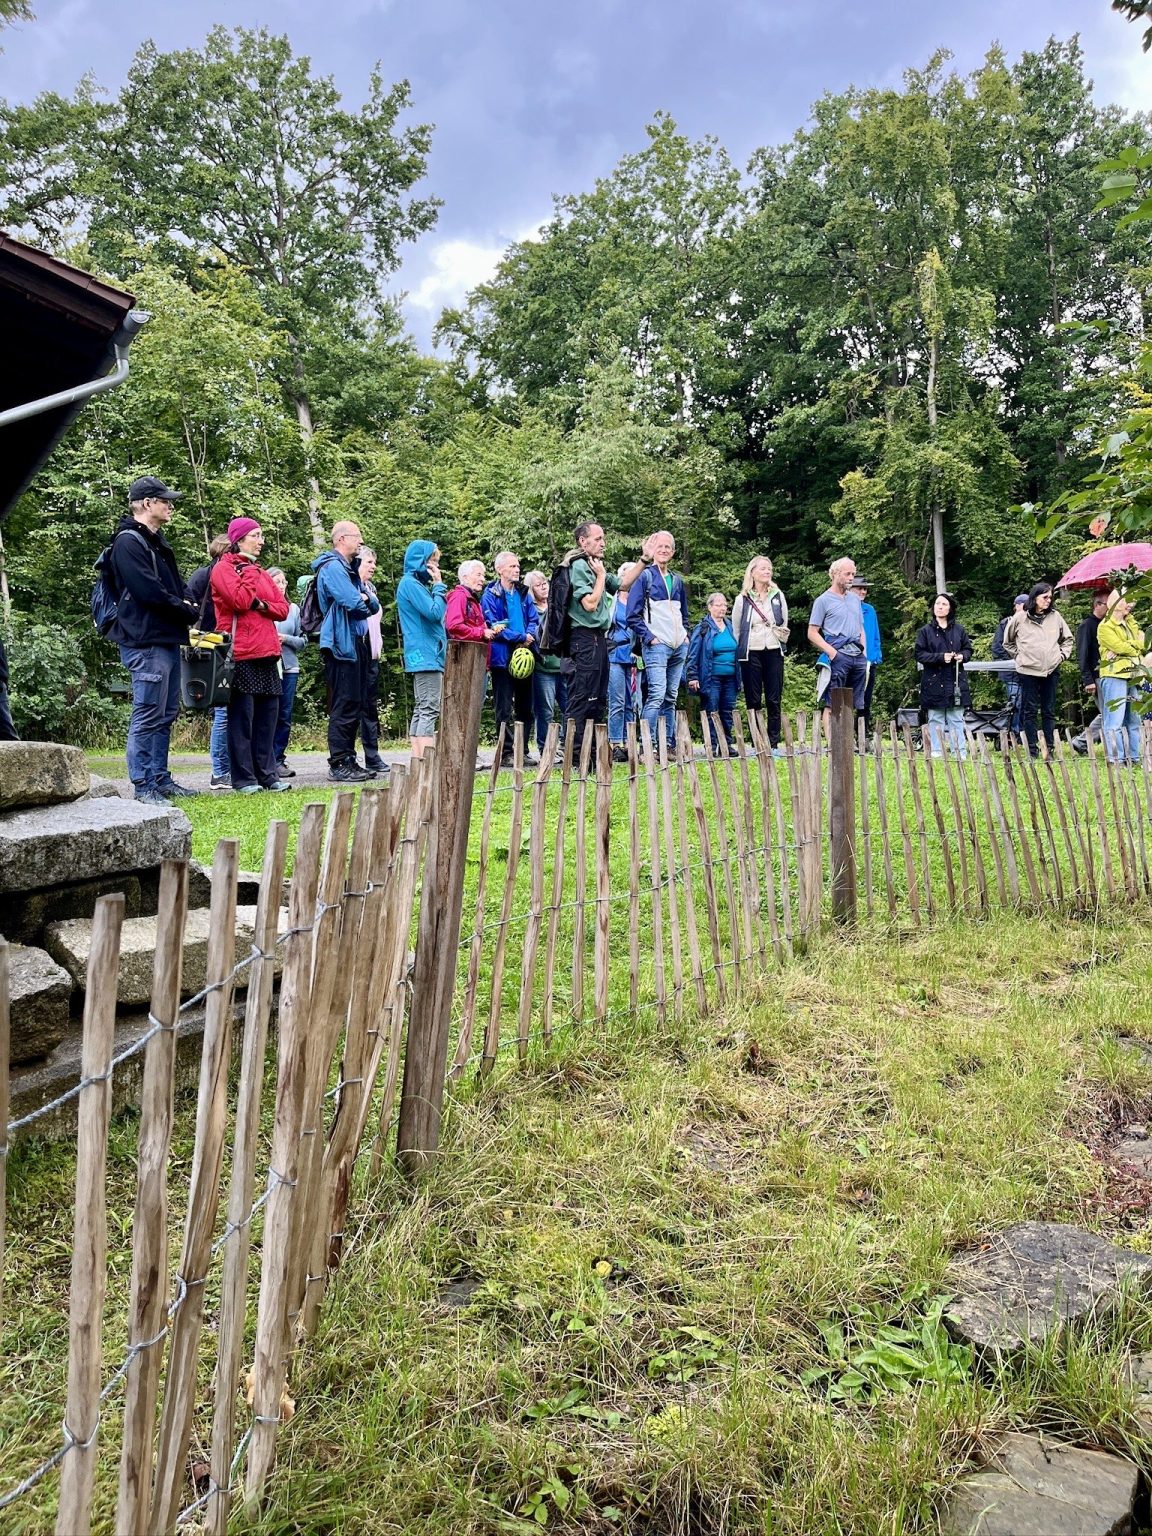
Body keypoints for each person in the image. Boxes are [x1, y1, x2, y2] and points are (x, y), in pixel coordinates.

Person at [110, 476, 199, 805]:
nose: (170, 505)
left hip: (166, 638)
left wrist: (188, 605)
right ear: (147, 503)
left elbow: (178, 586)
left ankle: (161, 780)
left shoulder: (157, 542)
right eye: (165, 500)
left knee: (166, 713)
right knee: (148, 712)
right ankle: (143, 785)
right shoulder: (128, 542)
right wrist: (184, 609)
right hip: (144, 640)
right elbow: (148, 592)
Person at [210, 517, 291, 794]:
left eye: (261, 535)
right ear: (239, 540)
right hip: (240, 654)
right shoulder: (223, 570)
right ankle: (244, 778)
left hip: (267, 653)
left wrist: (260, 602)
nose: (261, 541)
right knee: (241, 719)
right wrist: (249, 574)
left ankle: (268, 775)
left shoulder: (260, 572)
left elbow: (282, 609)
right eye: (255, 536)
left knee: (267, 719)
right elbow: (240, 601)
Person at [559, 523, 647, 764]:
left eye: (603, 538)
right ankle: (576, 758)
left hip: (599, 638)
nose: (603, 543)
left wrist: (644, 560)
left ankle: (594, 754)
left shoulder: (594, 564)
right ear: (582, 541)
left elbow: (623, 584)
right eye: (597, 539)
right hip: (582, 639)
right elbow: (590, 603)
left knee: (597, 699)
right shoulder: (579, 565)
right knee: (581, 698)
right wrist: (599, 577)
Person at [312, 520, 381, 783]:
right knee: (344, 703)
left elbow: (372, 604)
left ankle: (350, 759)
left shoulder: (349, 569)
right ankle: (339, 762)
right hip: (341, 644)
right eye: (357, 537)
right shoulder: (332, 568)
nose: (361, 542)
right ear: (341, 539)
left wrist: (365, 600)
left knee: (356, 702)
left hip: (356, 642)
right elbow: (353, 602)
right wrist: (363, 600)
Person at [626, 530, 690, 755]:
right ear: (652, 550)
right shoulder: (645, 576)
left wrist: (686, 635)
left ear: (673, 552)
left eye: (667, 547)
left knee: (671, 696)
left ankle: (668, 744)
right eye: (659, 546)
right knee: (656, 694)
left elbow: (684, 613)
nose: (663, 550)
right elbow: (632, 615)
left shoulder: (677, 580)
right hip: (657, 646)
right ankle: (647, 746)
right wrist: (649, 637)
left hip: (678, 645)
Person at [482, 551, 540, 767]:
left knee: (526, 706)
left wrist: (530, 635)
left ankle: (523, 750)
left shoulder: (524, 593)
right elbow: (493, 625)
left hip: (525, 654)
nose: (517, 569)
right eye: (512, 566)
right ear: (500, 570)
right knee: (503, 706)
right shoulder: (491, 594)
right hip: (503, 656)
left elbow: (533, 619)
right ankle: (506, 752)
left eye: (518, 566)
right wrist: (520, 636)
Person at [1004, 581, 1074, 758]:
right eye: (1045, 597)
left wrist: (1062, 656)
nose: (1048, 600)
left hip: (1051, 670)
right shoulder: (1020, 618)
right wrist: (1020, 657)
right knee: (1029, 711)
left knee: (1049, 710)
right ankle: (1032, 750)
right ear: (1035, 597)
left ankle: (1049, 749)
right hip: (1028, 671)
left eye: (1050, 597)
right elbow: (1008, 642)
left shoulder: (1056, 616)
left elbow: (1068, 639)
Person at [187, 533, 232, 789]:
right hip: (209, 647)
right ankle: (219, 771)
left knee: (230, 710)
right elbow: (190, 607)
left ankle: (228, 768)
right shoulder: (204, 575)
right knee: (222, 711)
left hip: (228, 644)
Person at [396, 539, 447, 760]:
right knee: (429, 708)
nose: (435, 568)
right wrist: (439, 585)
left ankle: (419, 760)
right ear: (421, 561)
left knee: (422, 707)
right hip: (426, 653)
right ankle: (427, 760)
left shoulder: (412, 584)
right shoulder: (411, 584)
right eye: (432, 562)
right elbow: (435, 613)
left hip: (424, 653)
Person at [732, 555, 788, 750]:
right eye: (763, 568)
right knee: (753, 698)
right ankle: (757, 743)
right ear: (752, 572)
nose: (767, 571)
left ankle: (773, 743)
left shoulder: (777, 595)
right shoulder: (743, 599)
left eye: (769, 568)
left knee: (774, 698)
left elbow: (783, 623)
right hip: (751, 651)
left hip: (773, 649)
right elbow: (737, 629)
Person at [807, 558, 867, 737]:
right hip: (838, 654)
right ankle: (833, 743)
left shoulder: (855, 600)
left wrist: (864, 652)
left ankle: (846, 740)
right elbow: (812, 632)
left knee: (852, 702)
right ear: (835, 574)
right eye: (847, 574)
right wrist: (832, 653)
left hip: (857, 654)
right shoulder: (823, 601)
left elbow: (860, 628)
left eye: (853, 574)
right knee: (832, 701)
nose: (851, 578)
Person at [914, 593, 972, 760]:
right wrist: (940, 657)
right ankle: (937, 752)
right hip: (933, 680)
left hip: (955, 680)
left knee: (956, 718)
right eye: (937, 603)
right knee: (935, 718)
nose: (940, 606)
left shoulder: (959, 630)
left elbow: (968, 650)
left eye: (944, 604)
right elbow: (919, 654)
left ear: (950, 608)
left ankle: (959, 753)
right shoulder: (925, 631)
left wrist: (962, 656)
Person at [1097, 590, 1146, 765]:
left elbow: (1143, 644)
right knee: (1115, 720)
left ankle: (1134, 758)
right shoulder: (1104, 627)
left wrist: (1128, 647)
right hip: (1114, 676)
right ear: (1117, 604)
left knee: (1134, 719)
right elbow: (1120, 646)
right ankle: (1116, 759)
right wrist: (1130, 648)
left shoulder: (1130, 622)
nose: (1131, 605)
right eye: (1128, 601)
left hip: (1133, 675)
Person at [687, 593, 740, 755]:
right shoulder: (703, 628)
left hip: (731, 676)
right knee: (711, 709)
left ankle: (727, 744)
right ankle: (712, 745)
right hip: (711, 676)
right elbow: (693, 653)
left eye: (724, 605)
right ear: (710, 607)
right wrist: (692, 676)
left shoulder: (731, 627)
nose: (722, 608)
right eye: (718, 605)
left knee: (727, 710)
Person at [525, 570, 567, 757]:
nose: (544, 587)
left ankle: (567, 745)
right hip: (543, 667)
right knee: (545, 711)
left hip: (563, 664)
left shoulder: (557, 605)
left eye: (545, 583)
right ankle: (545, 749)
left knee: (570, 708)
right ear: (530, 589)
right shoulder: (530, 608)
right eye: (538, 584)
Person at [268, 566, 304, 777]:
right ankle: (264, 759)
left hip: (290, 667)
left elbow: (303, 640)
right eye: (277, 582)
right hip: (268, 667)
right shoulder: (262, 607)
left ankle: (279, 758)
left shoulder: (294, 610)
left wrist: (286, 639)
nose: (281, 586)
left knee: (284, 715)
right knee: (267, 714)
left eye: (283, 582)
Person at [357, 546, 387, 775]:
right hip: (357, 653)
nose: (373, 566)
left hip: (373, 654)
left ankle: (372, 756)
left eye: (373, 562)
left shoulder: (372, 588)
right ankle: (346, 758)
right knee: (352, 707)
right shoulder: (351, 589)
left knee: (370, 708)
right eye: (368, 562)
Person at [607, 567, 636, 764]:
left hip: (633, 655)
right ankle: (615, 743)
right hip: (614, 653)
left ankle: (630, 742)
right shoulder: (611, 600)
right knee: (617, 699)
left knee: (631, 701)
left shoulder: (639, 600)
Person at [992, 594, 1028, 736]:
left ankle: (1025, 735)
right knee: (1015, 703)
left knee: (1027, 705)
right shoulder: (1005, 623)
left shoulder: (1032, 623)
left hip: (1029, 671)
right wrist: (1013, 661)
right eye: (1023, 604)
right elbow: (997, 648)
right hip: (1010, 672)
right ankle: (1014, 734)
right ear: (1016, 605)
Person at [852, 577, 883, 736]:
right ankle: (846, 737)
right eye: (859, 588)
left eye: (865, 589)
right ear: (850, 589)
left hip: (869, 662)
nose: (863, 591)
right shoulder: (844, 608)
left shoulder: (869, 610)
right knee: (846, 700)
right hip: (849, 660)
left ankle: (862, 737)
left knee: (865, 701)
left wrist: (876, 656)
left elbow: (875, 635)